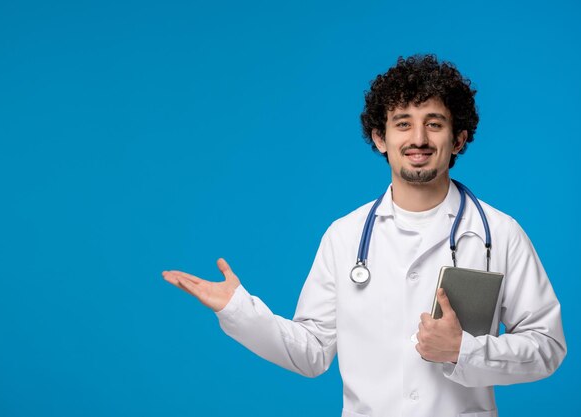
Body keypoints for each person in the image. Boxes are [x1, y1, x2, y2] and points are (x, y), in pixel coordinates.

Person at [162, 55, 566, 417]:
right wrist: (237, 310)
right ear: (380, 138)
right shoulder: (345, 236)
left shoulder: (500, 233)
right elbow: (311, 352)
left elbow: (547, 347)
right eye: (403, 124)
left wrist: (465, 352)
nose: (419, 139)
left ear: (457, 138)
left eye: (435, 124)